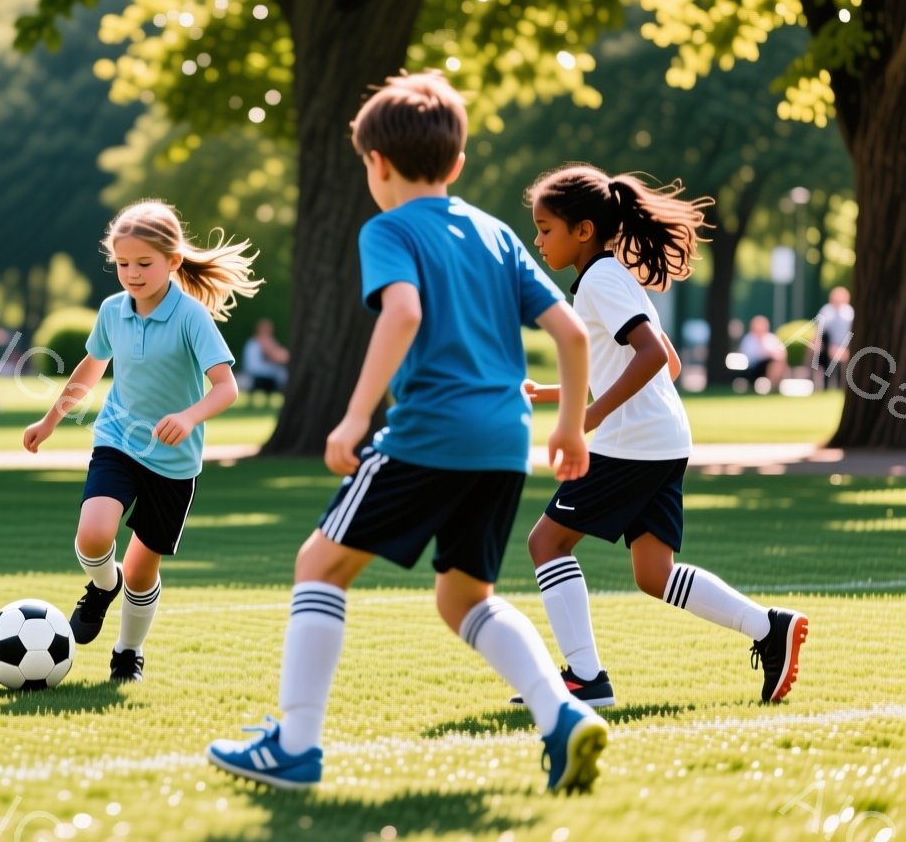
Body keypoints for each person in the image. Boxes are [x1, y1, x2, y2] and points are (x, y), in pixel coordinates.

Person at [207, 72, 607, 794]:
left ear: (376, 163)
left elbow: (403, 315)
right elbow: (572, 334)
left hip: (426, 436)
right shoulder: (495, 233)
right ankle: (562, 717)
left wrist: (356, 416)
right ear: (455, 164)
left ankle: (294, 745)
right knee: (465, 598)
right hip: (502, 446)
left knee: (318, 567)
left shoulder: (387, 229)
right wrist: (570, 430)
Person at [518, 164, 807, 713]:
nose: (538, 240)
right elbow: (667, 361)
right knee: (654, 574)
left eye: (545, 227)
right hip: (661, 442)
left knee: (546, 543)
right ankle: (769, 628)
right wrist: (556, 393)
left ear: (583, 230)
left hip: (630, 446)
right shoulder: (610, 277)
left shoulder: (601, 281)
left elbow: (654, 358)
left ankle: (585, 678)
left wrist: (591, 417)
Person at [23, 199, 257, 682]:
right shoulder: (112, 310)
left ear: (172, 261)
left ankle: (128, 652)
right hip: (119, 439)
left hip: (173, 463)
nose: (131, 273)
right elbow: (91, 369)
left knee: (142, 571)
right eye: (123, 264)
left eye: (143, 264)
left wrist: (190, 417)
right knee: (93, 533)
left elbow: (226, 386)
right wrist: (49, 421)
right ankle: (101, 588)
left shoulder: (192, 317)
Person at [811, 286, 854, 389]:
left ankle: (841, 386)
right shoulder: (826, 311)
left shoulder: (849, 313)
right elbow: (820, 330)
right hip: (828, 346)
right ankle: (824, 385)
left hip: (845, 345)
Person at [241, 318, 290, 407]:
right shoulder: (263, 341)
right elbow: (277, 356)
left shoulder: (252, 341)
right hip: (259, 373)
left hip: (251, 371)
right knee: (283, 374)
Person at [738, 315, 787, 392]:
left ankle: (774, 387)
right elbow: (749, 357)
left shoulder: (771, 338)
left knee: (776, 363)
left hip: (772, 363)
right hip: (754, 368)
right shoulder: (748, 339)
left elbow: (781, 354)